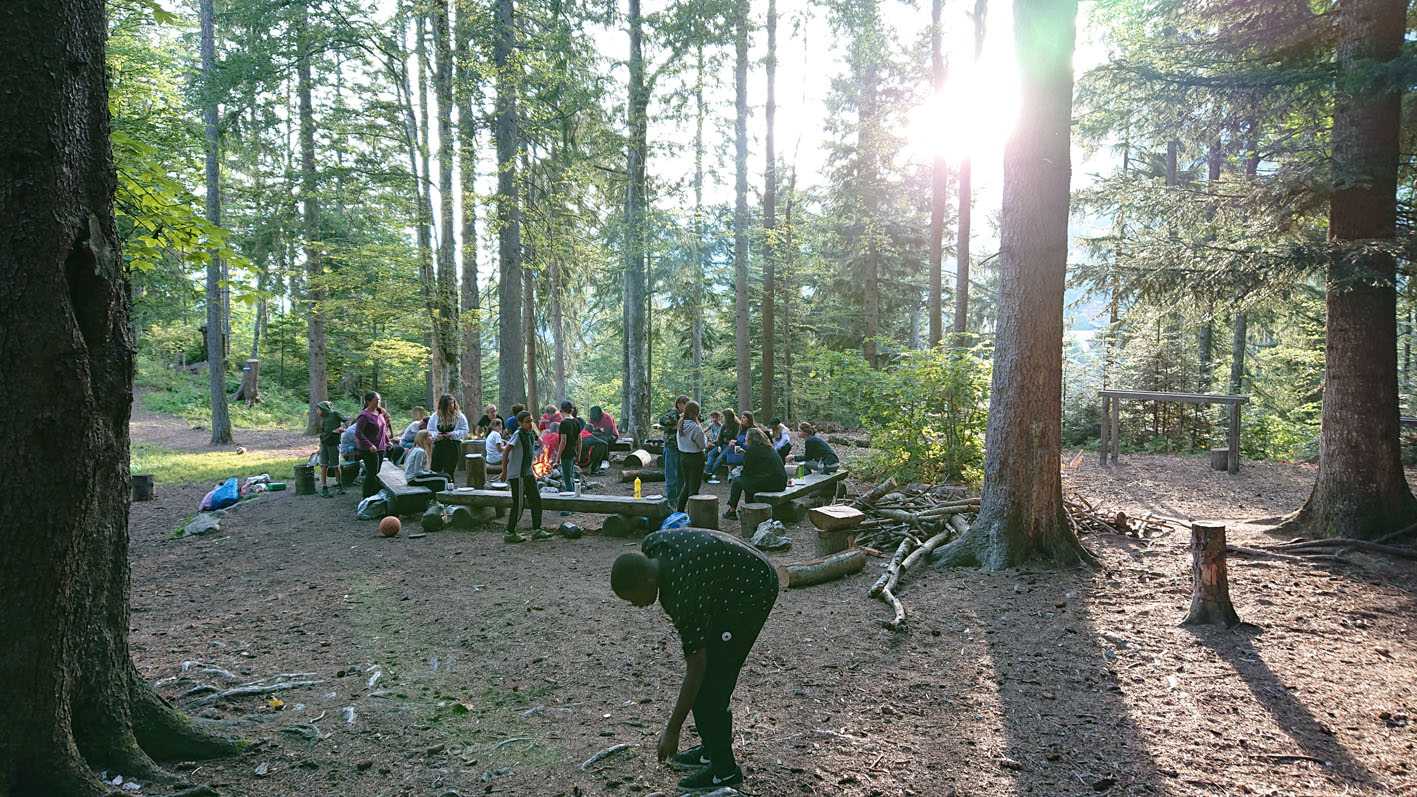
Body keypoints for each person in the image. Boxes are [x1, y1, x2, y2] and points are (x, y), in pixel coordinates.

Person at [611, 528, 779, 791]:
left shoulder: (681, 595)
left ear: (648, 582)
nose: (635, 605)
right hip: (734, 577)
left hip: (754, 587)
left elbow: (697, 667)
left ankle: (724, 771)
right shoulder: (653, 545)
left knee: (711, 686)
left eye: (634, 598)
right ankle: (710, 750)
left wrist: (673, 729)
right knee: (707, 679)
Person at [502, 410, 552, 543]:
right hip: (517, 475)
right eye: (527, 421)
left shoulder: (531, 433)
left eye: (531, 420)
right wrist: (504, 472)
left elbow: (542, 443)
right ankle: (510, 532)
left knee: (536, 500)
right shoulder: (518, 434)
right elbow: (506, 452)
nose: (530, 423)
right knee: (519, 504)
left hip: (528, 473)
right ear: (520, 423)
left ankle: (537, 530)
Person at [722, 428, 787, 519]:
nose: (745, 439)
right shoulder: (768, 448)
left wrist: (740, 470)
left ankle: (732, 511)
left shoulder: (752, 450)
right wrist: (746, 455)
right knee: (748, 481)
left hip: (771, 484)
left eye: (746, 437)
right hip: (780, 483)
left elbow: (747, 472)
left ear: (750, 439)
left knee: (737, 481)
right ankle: (750, 507)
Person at [354, 391, 390, 499]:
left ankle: (374, 494)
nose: (378, 402)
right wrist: (369, 445)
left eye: (379, 400)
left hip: (380, 447)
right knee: (372, 472)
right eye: (376, 400)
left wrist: (388, 441)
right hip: (368, 449)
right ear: (368, 401)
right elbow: (358, 432)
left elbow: (382, 429)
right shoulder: (364, 415)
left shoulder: (380, 412)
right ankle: (366, 496)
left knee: (376, 472)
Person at [675, 400, 709, 513]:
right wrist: (706, 439)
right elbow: (702, 445)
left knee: (687, 485)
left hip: (683, 457)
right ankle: (693, 514)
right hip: (695, 458)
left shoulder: (681, 424)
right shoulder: (695, 427)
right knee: (694, 488)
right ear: (696, 412)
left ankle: (679, 510)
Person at [659, 395, 689, 509]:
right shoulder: (672, 413)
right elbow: (662, 420)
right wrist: (678, 420)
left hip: (682, 448)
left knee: (681, 476)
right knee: (672, 475)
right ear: (678, 404)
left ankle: (678, 499)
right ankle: (670, 501)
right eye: (684, 404)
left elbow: (699, 417)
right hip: (671, 446)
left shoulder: (688, 413)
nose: (685, 406)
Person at [431, 393, 469, 475]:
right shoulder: (435, 416)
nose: (451, 406)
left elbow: (465, 430)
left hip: (453, 446)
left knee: (449, 470)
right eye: (448, 404)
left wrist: (453, 434)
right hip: (439, 446)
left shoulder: (460, 416)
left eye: (452, 403)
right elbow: (429, 431)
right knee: (436, 468)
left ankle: (449, 482)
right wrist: (436, 435)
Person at [315, 401, 347, 497]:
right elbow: (323, 434)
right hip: (324, 444)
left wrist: (342, 428)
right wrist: (320, 447)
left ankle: (339, 485)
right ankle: (324, 487)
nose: (317, 411)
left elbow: (347, 420)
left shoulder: (335, 414)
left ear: (324, 408)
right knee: (324, 466)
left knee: (336, 465)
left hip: (334, 444)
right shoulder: (323, 420)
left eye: (318, 409)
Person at [703, 409, 739, 484]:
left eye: (724, 416)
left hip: (730, 446)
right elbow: (720, 438)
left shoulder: (736, 426)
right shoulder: (724, 426)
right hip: (722, 445)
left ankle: (709, 474)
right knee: (711, 453)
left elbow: (737, 438)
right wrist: (719, 446)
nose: (723, 418)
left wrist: (733, 441)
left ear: (728, 417)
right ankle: (707, 471)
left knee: (720, 457)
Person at [557, 401, 584, 496]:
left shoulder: (564, 423)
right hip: (573, 452)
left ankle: (570, 500)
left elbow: (563, 442)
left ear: (561, 411)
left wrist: (558, 457)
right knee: (571, 477)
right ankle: (575, 495)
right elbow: (580, 440)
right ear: (572, 410)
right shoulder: (576, 422)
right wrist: (579, 455)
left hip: (566, 454)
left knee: (567, 479)